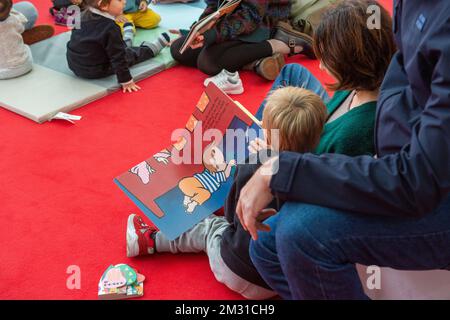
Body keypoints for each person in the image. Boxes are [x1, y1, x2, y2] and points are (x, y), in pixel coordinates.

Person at [234, 0, 450, 300]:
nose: (321, 66)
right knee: (265, 246)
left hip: (423, 183)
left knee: (300, 232)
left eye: (327, 59)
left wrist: (281, 167)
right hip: (405, 157)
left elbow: (418, 180)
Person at [125, 87, 328, 299]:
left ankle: (149, 240)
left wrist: (248, 162)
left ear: (268, 132)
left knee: (209, 226)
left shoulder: (254, 167)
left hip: (238, 270)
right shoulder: (321, 170)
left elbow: (232, 216)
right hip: (281, 281)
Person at [169, 0, 315, 81]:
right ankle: (253, 62)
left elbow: (250, 16)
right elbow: (214, 5)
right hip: (233, 20)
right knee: (180, 49)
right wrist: (199, 30)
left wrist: (213, 34)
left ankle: (277, 44)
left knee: (207, 62)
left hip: (263, 22)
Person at [66, 0, 169, 93]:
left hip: (75, 65)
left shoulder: (82, 15)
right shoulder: (110, 27)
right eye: (120, 0)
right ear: (104, 5)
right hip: (97, 70)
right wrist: (126, 80)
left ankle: (126, 38)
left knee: (116, 45)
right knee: (129, 55)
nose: (124, 2)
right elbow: (118, 58)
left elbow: (76, 39)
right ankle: (150, 49)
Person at [0, 0, 33, 79]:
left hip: (1, 72)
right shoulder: (14, 19)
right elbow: (21, 28)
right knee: (26, 47)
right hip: (25, 67)